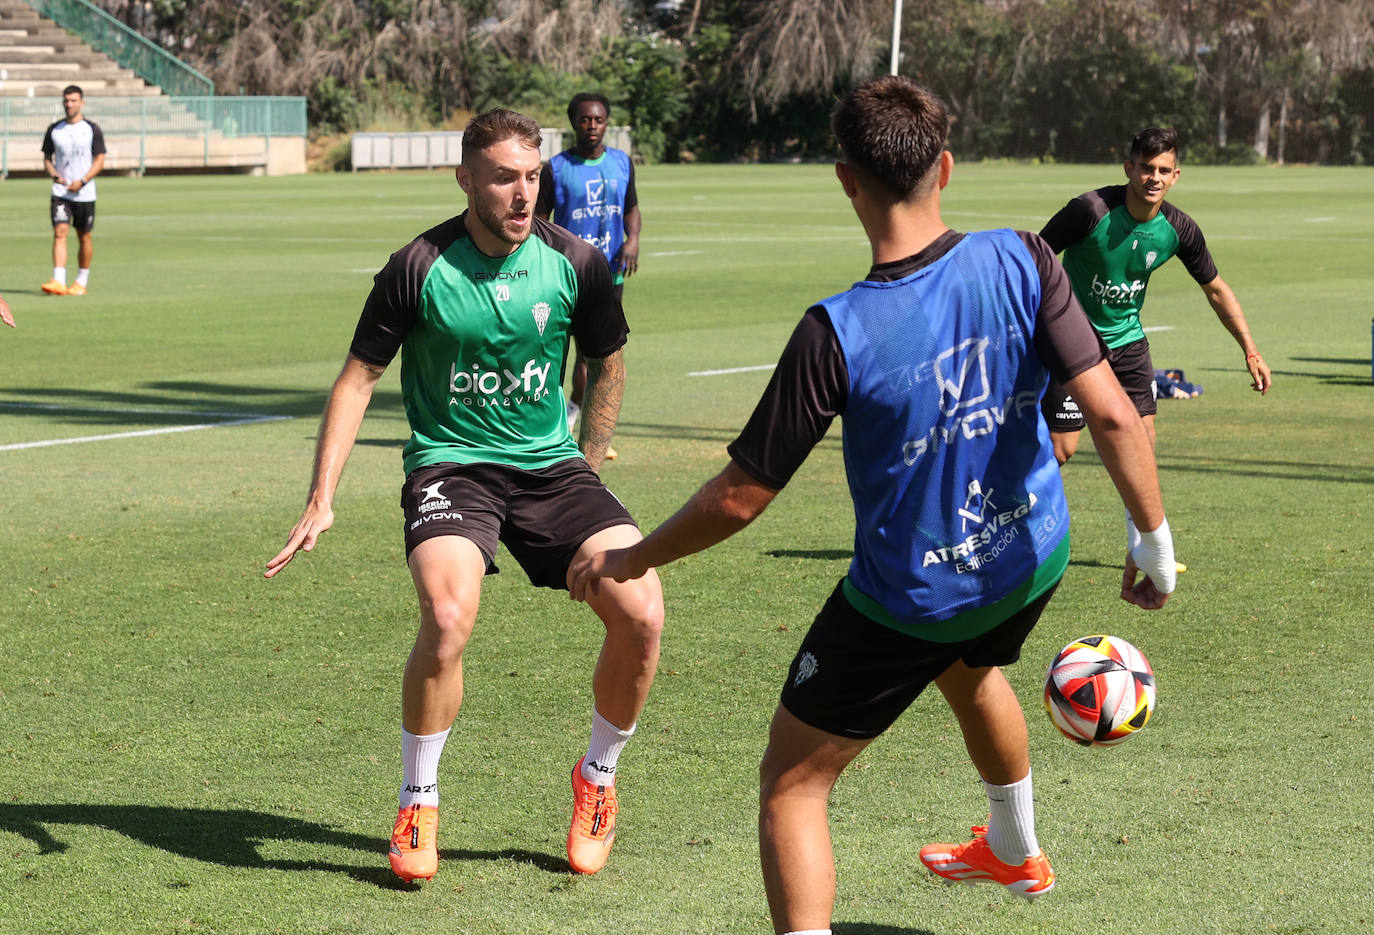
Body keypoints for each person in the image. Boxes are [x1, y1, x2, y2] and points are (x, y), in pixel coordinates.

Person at [569, 76, 1177, 934]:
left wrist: (629, 557)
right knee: (972, 667)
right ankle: (1015, 845)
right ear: (948, 168)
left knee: (793, 781)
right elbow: (1113, 410)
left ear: (846, 179)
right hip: (1029, 555)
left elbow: (740, 498)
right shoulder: (1025, 257)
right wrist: (1153, 539)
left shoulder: (837, 330)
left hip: (913, 599)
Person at [265, 108, 664, 884]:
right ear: (465, 180)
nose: (523, 194)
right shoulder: (417, 266)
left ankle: (599, 780)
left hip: (553, 468)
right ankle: (419, 798)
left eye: (532, 177)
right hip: (453, 466)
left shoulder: (574, 261)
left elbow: (607, 360)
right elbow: (358, 379)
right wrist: (322, 496)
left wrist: (588, 467)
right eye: (505, 178)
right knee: (447, 617)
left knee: (643, 611)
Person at [1039, 126, 1271, 469]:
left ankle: (1143, 527)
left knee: (1142, 444)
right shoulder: (1090, 210)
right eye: (1147, 168)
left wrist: (1250, 350)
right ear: (1128, 168)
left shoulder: (1179, 229)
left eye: (1163, 171)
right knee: (1061, 449)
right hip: (1074, 339)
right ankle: (1017, 513)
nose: (1154, 178)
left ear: (1175, 176)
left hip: (1128, 342)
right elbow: (1034, 258)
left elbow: (1217, 290)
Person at [535, 92, 642, 458]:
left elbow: (632, 208)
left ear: (607, 122)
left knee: (600, 354)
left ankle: (585, 427)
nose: (591, 126)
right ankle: (563, 424)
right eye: (584, 120)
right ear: (573, 123)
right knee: (564, 354)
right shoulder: (555, 168)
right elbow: (538, 220)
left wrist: (634, 240)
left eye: (598, 120)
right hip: (566, 275)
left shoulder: (622, 163)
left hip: (609, 275)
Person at [41, 86, 105, 297]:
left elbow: (100, 159)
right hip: (61, 191)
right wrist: (54, 175)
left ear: (82, 102)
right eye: (66, 100)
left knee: (84, 236)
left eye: (73, 100)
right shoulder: (55, 129)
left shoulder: (91, 129)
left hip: (84, 193)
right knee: (60, 232)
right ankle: (58, 280)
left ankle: (81, 281)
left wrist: (83, 180)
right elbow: (47, 158)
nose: (69, 104)